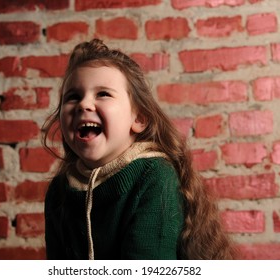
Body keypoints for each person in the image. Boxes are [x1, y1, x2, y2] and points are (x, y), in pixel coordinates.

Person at [42, 38, 237, 260]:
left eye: (103, 94)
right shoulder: (59, 190)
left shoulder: (153, 175)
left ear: (139, 119)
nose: (83, 104)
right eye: (73, 97)